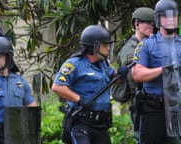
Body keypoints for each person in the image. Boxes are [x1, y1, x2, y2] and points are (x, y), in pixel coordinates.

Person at [52, 25, 129, 144]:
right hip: (81, 122)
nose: (108, 49)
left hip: (100, 124)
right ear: (95, 46)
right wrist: (79, 99)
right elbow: (57, 87)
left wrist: (120, 73)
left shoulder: (103, 64)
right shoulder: (74, 64)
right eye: (105, 45)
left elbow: (114, 78)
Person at [132, 0, 181, 143]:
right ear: (158, 19)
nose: (171, 20)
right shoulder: (147, 45)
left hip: (177, 107)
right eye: (166, 16)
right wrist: (164, 69)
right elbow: (137, 74)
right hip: (154, 109)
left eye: (174, 16)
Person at [113, 7, 154, 143]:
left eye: (153, 23)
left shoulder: (150, 45)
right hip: (141, 104)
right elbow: (135, 76)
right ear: (137, 24)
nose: (152, 26)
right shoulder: (130, 49)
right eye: (148, 23)